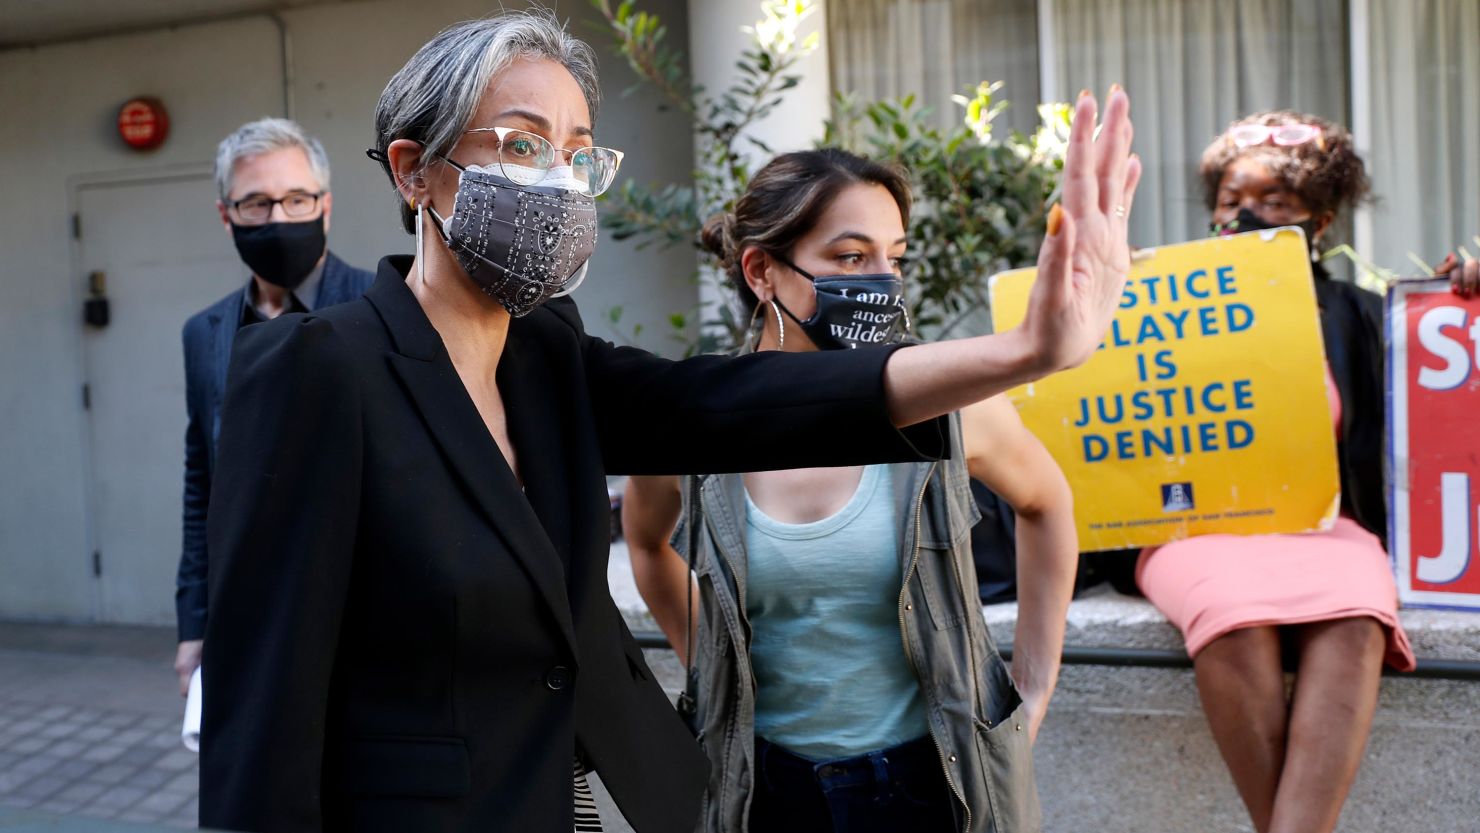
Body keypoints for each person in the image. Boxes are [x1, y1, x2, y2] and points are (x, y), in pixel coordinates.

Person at [198, 10, 1139, 833]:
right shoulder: (317, 369)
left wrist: (1024, 353)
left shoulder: (547, 352)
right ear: (414, 172)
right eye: (521, 144)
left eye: (577, 153)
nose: (557, 180)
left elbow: (725, 404)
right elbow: (267, 700)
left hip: (577, 803)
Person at [621, 148, 1078, 833]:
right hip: (761, 790)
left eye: (893, 256)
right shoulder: (696, 418)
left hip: (934, 787)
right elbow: (645, 540)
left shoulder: (945, 404)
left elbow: (1048, 503)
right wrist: (712, 669)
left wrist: (1034, 689)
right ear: (761, 270)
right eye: (851, 257)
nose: (882, 281)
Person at [1135, 111, 1415, 833]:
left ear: (1319, 223)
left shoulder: (1361, 316)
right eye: (1230, 201)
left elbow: (1443, 391)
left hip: (1323, 526)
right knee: (1233, 619)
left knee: (1358, 617)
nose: (1244, 215)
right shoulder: (1159, 304)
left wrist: (1464, 301)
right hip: (1196, 525)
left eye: (1274, 204)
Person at [173, 118, 373, 696]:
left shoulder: (383, 308)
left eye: (296, 199)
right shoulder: (204, 332)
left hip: (366, 619)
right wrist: (194, 623)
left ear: (325, 206)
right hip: (248, 616)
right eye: (256, 203)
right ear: (226, 214)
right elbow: (201, 482)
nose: (279, 218)